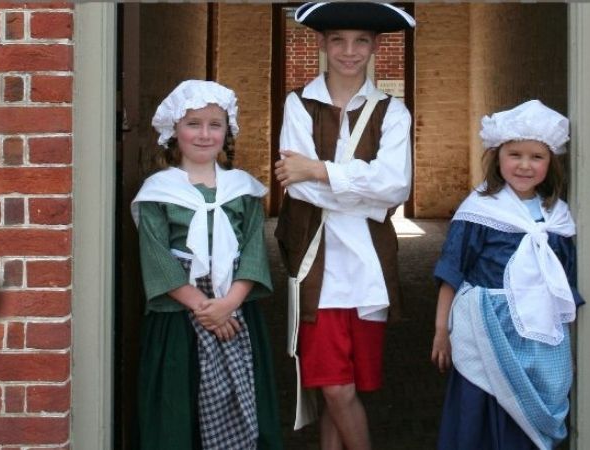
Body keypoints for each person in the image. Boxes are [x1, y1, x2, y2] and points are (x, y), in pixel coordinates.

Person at [272, 2, 416, 449]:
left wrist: (319, 171)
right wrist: (361, 190)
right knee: (334, 387)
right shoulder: (299, 104)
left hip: (369, 267)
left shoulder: (393, 112)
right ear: (321, 43)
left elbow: (395, 187)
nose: (348, 51)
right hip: (317, 264)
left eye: (360, 41)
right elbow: (295, 189)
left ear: (374, 46)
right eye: (338, 40)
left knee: (347, 384)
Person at [131, 80, 282, 450]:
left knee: (240, 395)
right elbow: (155, 255)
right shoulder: (158, 191)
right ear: (173, 132)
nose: (204, 134)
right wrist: (204, 309)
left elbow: (252, 251)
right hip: (180, 315)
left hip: (235, 308)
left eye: (215, 125)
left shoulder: (242, 190)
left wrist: (228, 304)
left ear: (226, 132)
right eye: (193, 124)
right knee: (180, 401)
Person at [430, 100, 584, 449]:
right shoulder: (479, 210)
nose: (525, 165)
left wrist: (573, 343)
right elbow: (452, 270)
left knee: (529, 410)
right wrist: (442, 330)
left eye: (536, 156)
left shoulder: (557, 216)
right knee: (480, 407)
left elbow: (565, 283)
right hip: (485, 325)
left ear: (551, 162)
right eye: (515, 154)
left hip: (539, 330)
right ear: (498, 156)